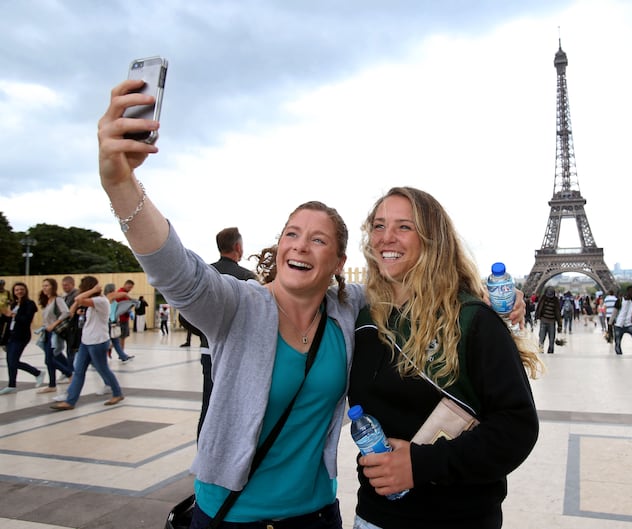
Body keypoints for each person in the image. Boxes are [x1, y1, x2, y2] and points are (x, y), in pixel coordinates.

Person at [97, 80, 526, 527]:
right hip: (232, 514)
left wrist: (490, 299)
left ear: (339, 262)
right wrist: (120, 183)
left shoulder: (351, 308)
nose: (300, 246)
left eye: (318, 240)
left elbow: (421, 290)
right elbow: (176, 271)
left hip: (316, 514)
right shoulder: (237, 306)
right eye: (292, 234)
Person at [348, 186, 540, 529]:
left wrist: (421, 465)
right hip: (374, 517)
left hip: (459, 519)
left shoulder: (472, 321)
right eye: (378, 226)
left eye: (404, 227)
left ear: (432, 239)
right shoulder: (363, 319)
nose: (386, 237)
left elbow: (517, 428)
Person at [195, 226, 259, 437]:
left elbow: (186, 316)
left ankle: (204, 450)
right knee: (238, 405)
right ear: (238, 247)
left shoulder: (206, 273)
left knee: (209, 404)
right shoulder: (246, 277)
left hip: (209, 350)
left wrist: (206, 332)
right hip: (239, 353)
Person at [51, 277, 125, 410]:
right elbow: (73, 309)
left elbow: (78, 299)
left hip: (98, 341)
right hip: (86, 341)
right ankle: (70, 401)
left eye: (82, 287)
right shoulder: (92, 302)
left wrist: (92, 290)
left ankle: (117, 393)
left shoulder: (101, 301)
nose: (80, 289)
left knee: (103, 369)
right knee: (79, 371)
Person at [0, 282, 45, 394]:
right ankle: (11, 385)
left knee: (13, 361)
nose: (19, 291)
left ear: (25, 291)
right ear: (14, 292)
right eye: (17, 290)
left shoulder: (29, 304)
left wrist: (13, 315)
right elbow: (8, 321)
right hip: (11, 335)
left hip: (21, 336)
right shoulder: (13, 304)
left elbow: (27, 320)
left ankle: (37, 373)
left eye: (21, 289)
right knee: (10, 361)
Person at [36, 278, 74, 393]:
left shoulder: (58, 299)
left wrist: (54, 324)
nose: (44, 288)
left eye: (47, 285)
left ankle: (69, 374)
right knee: (51, 358)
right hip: (46, 332)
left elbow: (66, 312)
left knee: (49, 360)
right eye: (43, 286)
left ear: (53, 287)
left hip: (54, 332)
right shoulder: (47, 301)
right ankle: (52, 384)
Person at [104, 284, 135, 363]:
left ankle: (123, 356)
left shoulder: (109, 298)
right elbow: (124, 294)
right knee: (108, 341)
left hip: (112, 321)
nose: (115, 291)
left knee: (115, 341)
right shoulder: (110, 297)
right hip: (109, 322)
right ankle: (97, 358)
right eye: (114, 289)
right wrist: (132, 299)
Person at [534, 286, 562, 354]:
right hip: (544, 321)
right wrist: (536, 318)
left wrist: (560, 325)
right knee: (542, 337)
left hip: (551, 322)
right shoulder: (543, 299)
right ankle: (541, 349)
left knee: (551, 338)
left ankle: (550, 350)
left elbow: (558, 313)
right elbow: (538, 309)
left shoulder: (555, 300)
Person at [115, 279, 135, 349]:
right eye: (129, 287)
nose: (130, 289)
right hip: (121, 318)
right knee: (121, 338)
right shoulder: (121, 293)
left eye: (131, 288)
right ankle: (121, 353)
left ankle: (120, 352)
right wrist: (129, 311)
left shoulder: (124, 294)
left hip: (124, 318)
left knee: (122, 338)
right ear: (125, 285)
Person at [0, 279, 12, 345]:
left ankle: (5, 339)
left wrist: (9, 301)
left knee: (8, 325)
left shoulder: (7, 292)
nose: (0, 286)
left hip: (5, 312)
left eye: (1, 285)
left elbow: (11, 301)